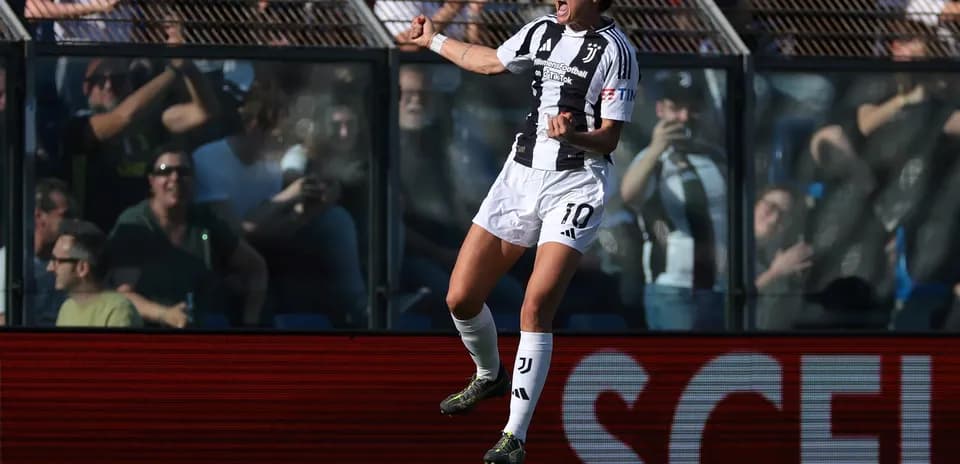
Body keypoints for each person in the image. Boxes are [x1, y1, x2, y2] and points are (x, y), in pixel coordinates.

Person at [404, 0, 639, 461]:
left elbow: (610, 137)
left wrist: (572, 136)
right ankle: (489, 375)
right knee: (460, 298)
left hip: (576, 184)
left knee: (535, 305)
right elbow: (489, 61)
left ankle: (514, 436)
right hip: (520, 176)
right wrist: (431, 38)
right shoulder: (541, 31)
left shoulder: (618, 51)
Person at [620, 71, 728, 330]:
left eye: (692, 109)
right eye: (676, 108)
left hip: (721, 287)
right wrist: (657, 147)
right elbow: (630, 194)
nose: (684, 117)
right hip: (673, 288)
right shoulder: (652, 160)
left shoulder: (716, 157)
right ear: (660, 110)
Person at [49, 219, 142, 328]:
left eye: (57, 261)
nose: (49, 268)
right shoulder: (66, 308)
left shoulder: (118, 310)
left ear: (82, 268)